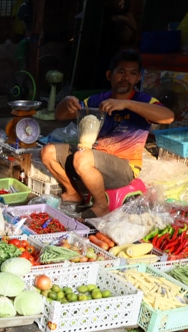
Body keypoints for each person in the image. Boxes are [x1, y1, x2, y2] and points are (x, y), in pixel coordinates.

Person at [41, 49, 174, 219]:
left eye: (132, 73)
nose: (126, 77)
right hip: (93, 158)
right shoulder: (97, 100)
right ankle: (73, 193)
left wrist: (126, 104)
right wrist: (66, 101)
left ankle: (101, 205)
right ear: (109, 75)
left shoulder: (143, 101)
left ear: (138, 78)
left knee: (83, 157)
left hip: (124, 167)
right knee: (48, 151)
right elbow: (60, 115)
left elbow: (168, 117)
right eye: (121, 72)